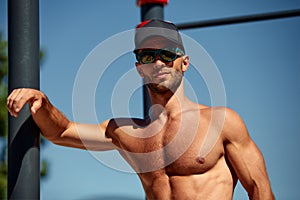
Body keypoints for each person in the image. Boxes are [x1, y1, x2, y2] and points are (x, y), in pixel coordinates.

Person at [7, 19, 274, 199]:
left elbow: (260, 190)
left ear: (184, 62)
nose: (158, 62)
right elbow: (61, 132)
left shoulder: (221, 122)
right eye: (147, 56)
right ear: (138, 67)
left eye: (167, 54)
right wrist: (41, 101)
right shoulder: (126, 132)